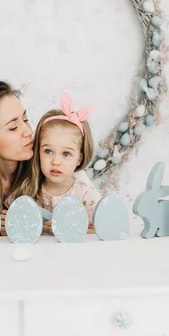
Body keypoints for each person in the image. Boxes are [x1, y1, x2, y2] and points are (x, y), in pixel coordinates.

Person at [0, 81, 123, 336]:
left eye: (26, 119)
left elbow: (90, 225)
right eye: (13, 126)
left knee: (107, 328)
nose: (28, 131)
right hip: (17, 305)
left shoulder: (49, 177)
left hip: (61, 288)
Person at [31, 92, 101, 234]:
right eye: (48, 151)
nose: (56, 161)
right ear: (38, 151)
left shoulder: (84, 194)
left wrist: (71, 228)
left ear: (79, 158)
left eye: (66, 154)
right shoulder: (31, 188)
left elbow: (103, 230)